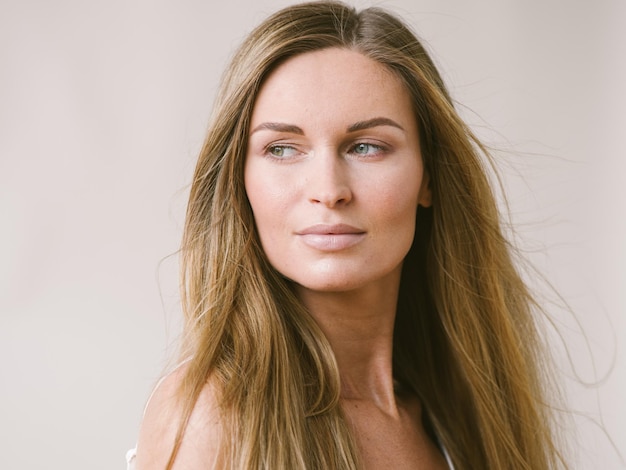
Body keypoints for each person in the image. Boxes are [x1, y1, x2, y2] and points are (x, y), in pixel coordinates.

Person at [129, 1, 566, 468]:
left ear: (429, 177)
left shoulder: (465, 418)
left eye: (366, 147)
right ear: (239, 178)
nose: (329, 190)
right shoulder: (213, 414)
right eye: (281, 149)